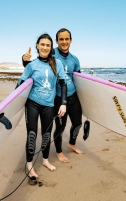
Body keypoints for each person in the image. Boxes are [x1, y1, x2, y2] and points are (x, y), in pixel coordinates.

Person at [22, 28, 83, 163]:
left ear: (71, 41)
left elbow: (80, 80)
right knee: (60, 127)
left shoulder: (75, 59)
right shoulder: (52, 54)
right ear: (56, 41)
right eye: (61, 39)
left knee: (78, 123)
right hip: (56, 98)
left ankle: (72, 143)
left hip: (72, 96)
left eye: (67, 39)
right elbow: (37, 66)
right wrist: (24, 61)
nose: (64, 41)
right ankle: (59, 151)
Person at [16, 33, 67, 178]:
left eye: (48, 45)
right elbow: (20, 83)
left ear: (51, 48)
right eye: (42, 44)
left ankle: (45, 160)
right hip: (32, 104)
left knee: (46, 135)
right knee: (31, 135)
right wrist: (12, 103)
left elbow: (63, 84)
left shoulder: (57, 64)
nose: (45, 47)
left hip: (49, 105)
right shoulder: (32, 65)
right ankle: (30, 164)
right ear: (38, 46)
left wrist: (63, 104)